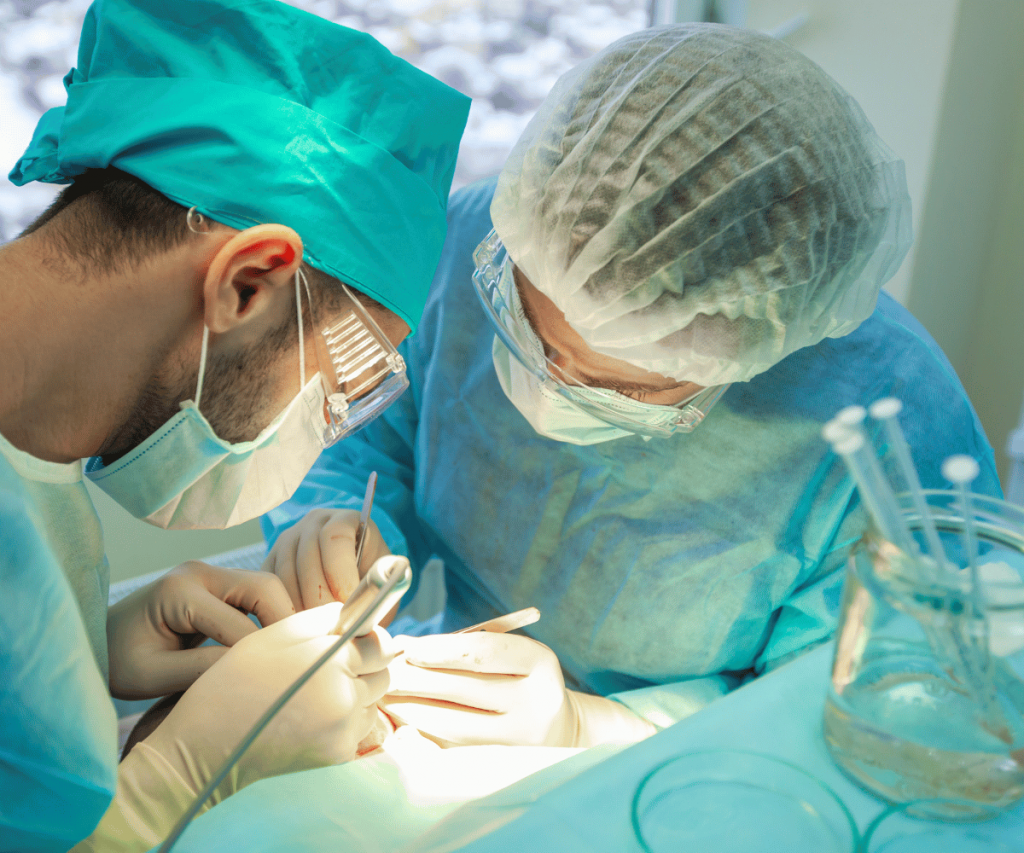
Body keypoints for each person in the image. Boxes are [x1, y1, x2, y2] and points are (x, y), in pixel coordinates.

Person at [262, 23, 1002, 749]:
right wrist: (330, 523)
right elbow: (366, 428)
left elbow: (836, 712)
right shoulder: (484, 240)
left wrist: (606, 729)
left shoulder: (892, 435)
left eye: (621, 388)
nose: (550, 389)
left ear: (754, 348)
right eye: (530, 332)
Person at [0, 0, 469, 849]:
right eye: (342, 387)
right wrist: (167, 785)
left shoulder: (34, 465)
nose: (326, 428)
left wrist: (93, 658)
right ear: (248, 282)